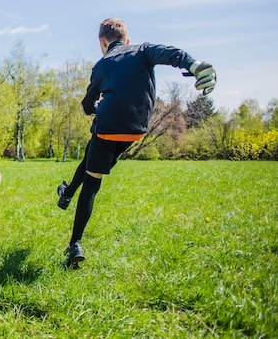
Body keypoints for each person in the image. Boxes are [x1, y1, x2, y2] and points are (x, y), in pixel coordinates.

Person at [57, 18, 216, 268]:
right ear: (127, 39)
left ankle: (75, 243)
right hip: (136, 129)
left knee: (92, 182)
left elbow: (87, 104)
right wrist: (195, 65)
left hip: (108, 129)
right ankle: (66, 193)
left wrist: (95, 106)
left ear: (102, 41)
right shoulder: (144, 50)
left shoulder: (101, 64)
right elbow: (171, 54)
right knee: (91, 157)